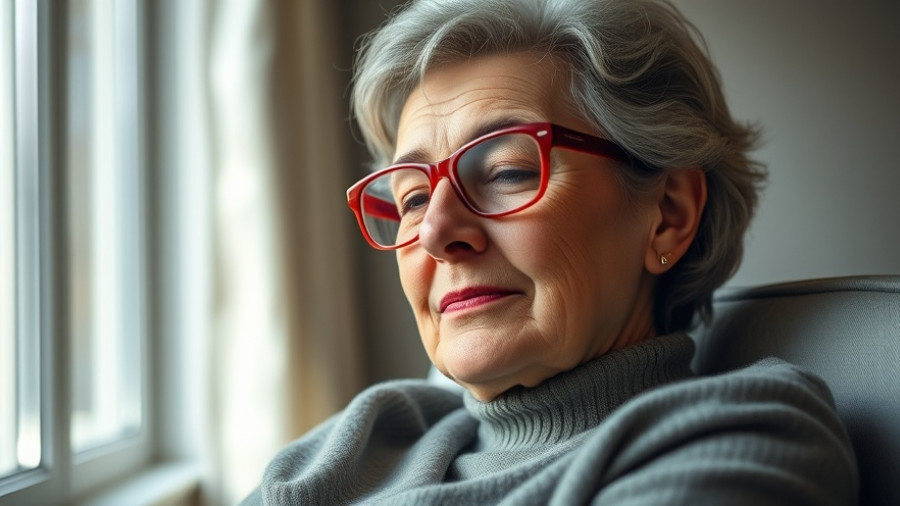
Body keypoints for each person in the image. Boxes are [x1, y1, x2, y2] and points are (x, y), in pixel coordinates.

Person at [243, 0, 858, 504]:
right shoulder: (355, 446)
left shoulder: (741, 437)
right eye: (410, 199)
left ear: (668, 215)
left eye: (507, 171)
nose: (435, 231)